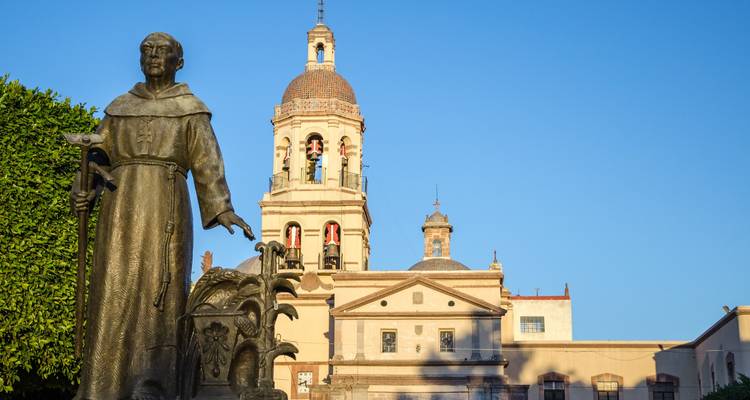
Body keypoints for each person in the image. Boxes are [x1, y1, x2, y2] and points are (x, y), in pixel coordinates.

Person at [72, 32, 253, 400]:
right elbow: (95, 157)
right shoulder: (118, 107)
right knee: (113, 290)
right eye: (147, 51)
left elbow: (207, 161)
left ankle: (151, 385)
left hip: (165, 208)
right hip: (118, 208)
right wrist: (83, 189)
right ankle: (101, 386)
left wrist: (222, 208)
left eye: (162, 52)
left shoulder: (190, 108)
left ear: (178, 61)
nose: (154, 57)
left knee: (160, 290)